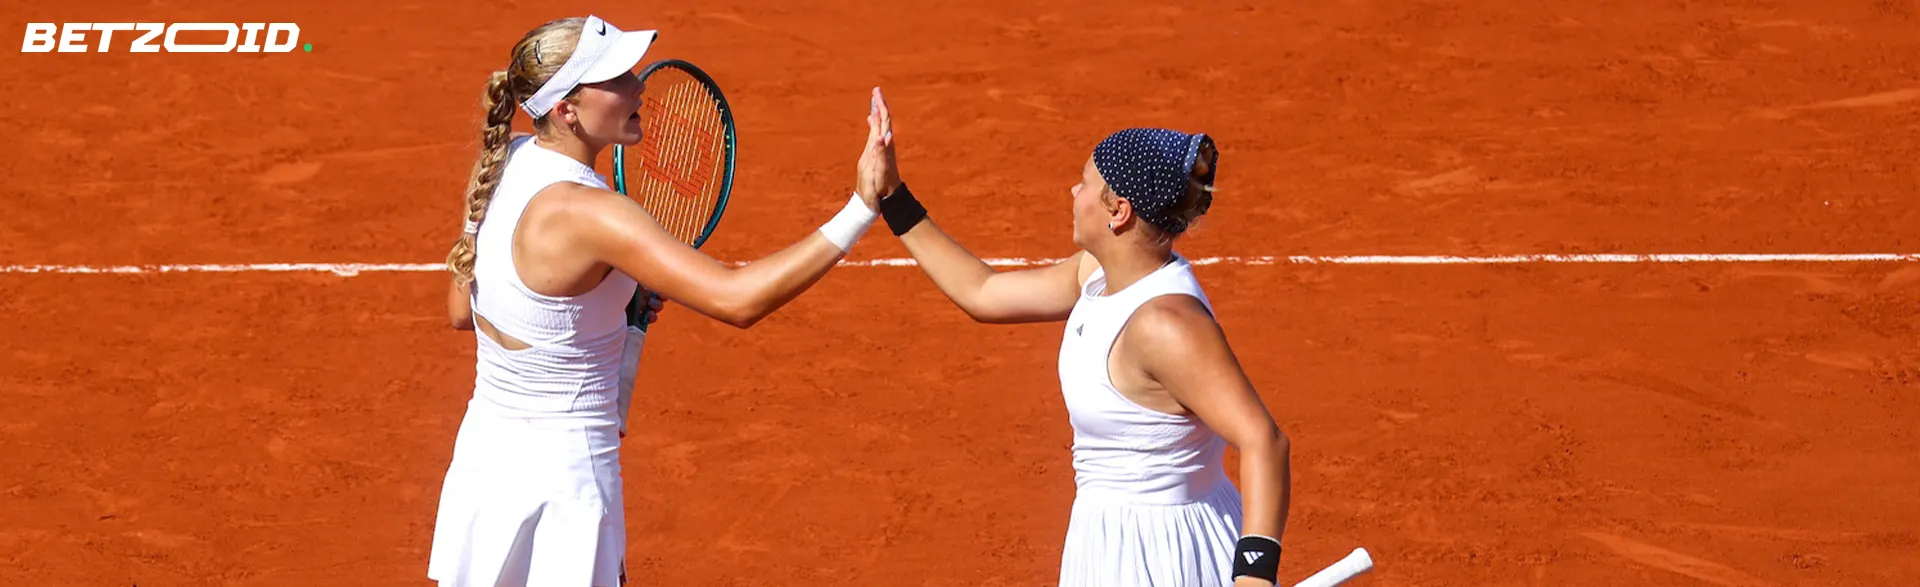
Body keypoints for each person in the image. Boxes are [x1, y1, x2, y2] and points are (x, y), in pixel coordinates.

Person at [428, 15, 893, 587]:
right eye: (616, 77)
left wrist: (602, 314)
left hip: (485, 464)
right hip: (566, 483)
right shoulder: (595, 214)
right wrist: (862, 208)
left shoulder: (502, 162)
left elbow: (462, 310)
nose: (638, 85)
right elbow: (737, 300)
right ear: (567, 109)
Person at [862, 92, 1294, 587]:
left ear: (1119, 212)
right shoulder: (1099, 273)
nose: (1073, 191)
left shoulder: (1163, 324)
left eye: (1087, 183)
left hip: (1162, 554)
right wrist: (893, 196)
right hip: (1107, 538)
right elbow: (982, 292)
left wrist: (1254, 578)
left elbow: (1264, 440)